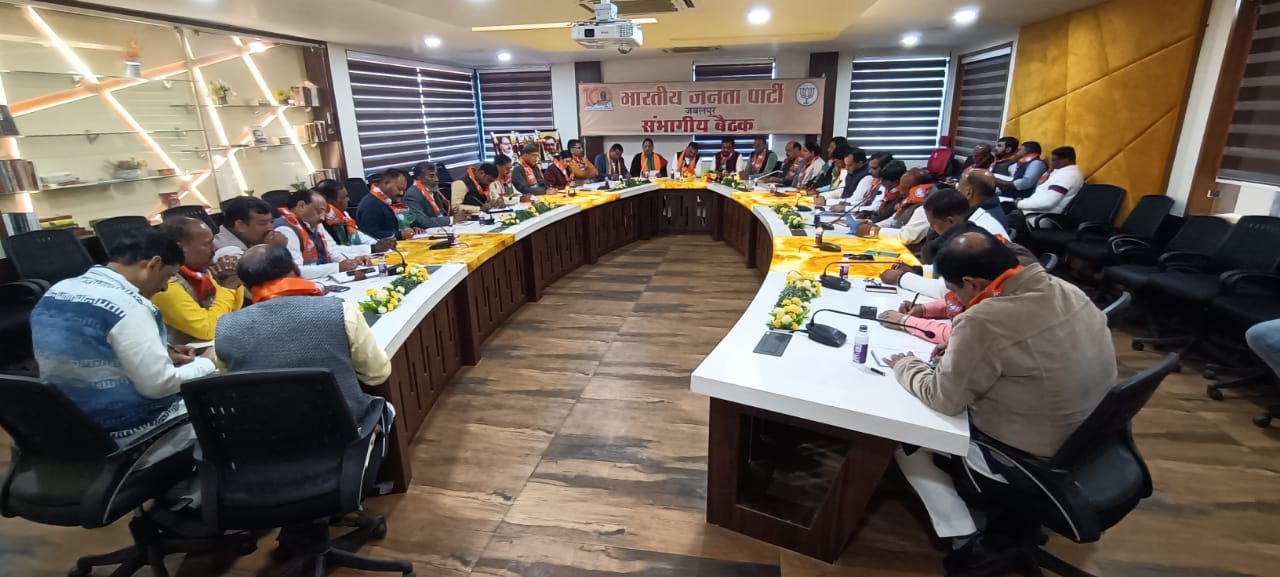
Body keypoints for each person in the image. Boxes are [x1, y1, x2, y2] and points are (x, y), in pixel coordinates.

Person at [883, 229, 1114, 576]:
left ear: (972, 284)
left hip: (1024, 459)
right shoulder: (1068, 290)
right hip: (1091, 443)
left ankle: (965, 539)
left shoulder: (984, 320)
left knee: (904, 435)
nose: (956, 299)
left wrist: (906, 364)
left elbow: (943, 398)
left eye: (955, 290)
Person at [31, 228, 217, 466]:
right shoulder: (129, 306)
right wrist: (207, 362)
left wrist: (162, 354)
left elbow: (84, 351)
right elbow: (159, 385)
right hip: (129, 436)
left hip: (72, 430)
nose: (164, 288)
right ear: (153, 264)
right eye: (168, 276)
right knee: (225, 410)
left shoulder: (58, 291)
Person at [215, 244, 391, 426]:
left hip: (263, 437)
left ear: (245, 287)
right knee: (385, 410)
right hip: (342, 432)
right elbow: (377, 374)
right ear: (296, 269)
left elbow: (233, 384)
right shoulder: (340, 311)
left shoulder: (225, 328)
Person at [152, 216, 244, 345]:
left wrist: (232, 278)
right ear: (180, 249)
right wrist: (228, 288)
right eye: (207, 243)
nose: (214, 248)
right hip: (185, 354)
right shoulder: (165, 285)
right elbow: (208, 329)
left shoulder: (203, 270)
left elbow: (234, 310)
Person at [277, 190, 370, 280]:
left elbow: (331, 252)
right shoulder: (285, 229)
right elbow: (296, 271)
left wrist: (354, 260)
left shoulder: (314, 223)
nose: (323, 217)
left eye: (324, 212)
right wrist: (337, 267)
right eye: (319, 212)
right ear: (301, 206)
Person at [316, 180, 399, 255]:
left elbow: (360, 236)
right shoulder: (320, 222)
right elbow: (333, 250)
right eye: (344, 197)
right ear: (329, 201)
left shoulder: (344, 215)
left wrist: (380, 243)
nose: (348, 200)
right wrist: (372, 248)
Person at [356, 168, 426, 241]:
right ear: (386, 183)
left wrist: (411, 230)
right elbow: (369, 234)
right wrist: (399, 235)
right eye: (399, 188)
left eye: (403, 190)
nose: (401, 193)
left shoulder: (388, 201)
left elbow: (391, 227)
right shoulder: (371, 204)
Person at [1016, 146, 1084, 219]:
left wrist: (1020, 204)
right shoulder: (1063, 173)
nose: (1052, 163)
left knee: (1011, 215)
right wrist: (1024, 201)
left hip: (1042, 215)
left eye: (1055, 160)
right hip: (1034, 210)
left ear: (1067, 160)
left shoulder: (1068, 176)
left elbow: (1047, 203)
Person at [213, 195, 287, 260]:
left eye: (271, 222)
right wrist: (273, 249)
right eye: (262, 224)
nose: (270, 228)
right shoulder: (229, 254)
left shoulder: (249, 239)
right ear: (240, 225)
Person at [403, 162, 456, 229]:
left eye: (436, 175)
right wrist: (451, 219)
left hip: (442, 228)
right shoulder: (412, 195)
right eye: (431, 176)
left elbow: (442, 213)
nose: (437, 179)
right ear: (420, 178)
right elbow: (423, 222)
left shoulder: (433, 189)